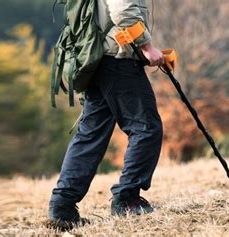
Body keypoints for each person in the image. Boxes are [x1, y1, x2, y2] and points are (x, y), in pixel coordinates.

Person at [48, 0, 164, 228]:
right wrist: (147, 47)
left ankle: (62, 206)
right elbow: (124, 10)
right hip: (116, 58)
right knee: (146, 127)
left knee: (91, 134)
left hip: (97, 58)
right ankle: (127, 199)